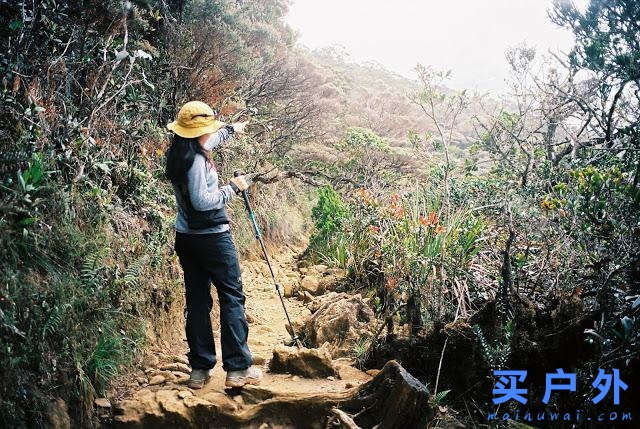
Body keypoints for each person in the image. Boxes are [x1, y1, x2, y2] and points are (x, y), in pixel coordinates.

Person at [164, 100, 262, 389]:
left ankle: (200, 368)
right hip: (213, 239)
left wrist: (231, 130)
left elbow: (209, 140)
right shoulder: (196, 160)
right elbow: (202, 201)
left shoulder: (180, 151)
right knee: (231, 296)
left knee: (197, 301)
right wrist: (233, 188)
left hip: (187, 239)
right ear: (198, 132)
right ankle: (236, 369)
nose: (211, 133)